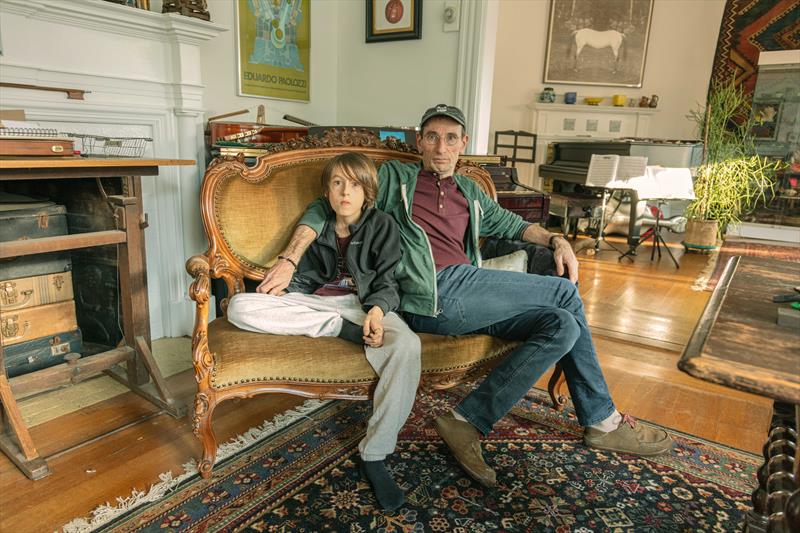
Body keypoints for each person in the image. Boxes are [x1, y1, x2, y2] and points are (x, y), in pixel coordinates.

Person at [259, 104, 673, 489]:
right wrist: (291, 258)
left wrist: (556, 239)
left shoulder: (471, 192)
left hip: (467, 290)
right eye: (432, 137)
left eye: (451, 138)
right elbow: (325, 206)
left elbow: (516, 226)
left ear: (463, 143)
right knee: (565, 293)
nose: (441, 147)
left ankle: (467, 420)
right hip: (429, 292)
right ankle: (602, 420)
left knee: (562, 324)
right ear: (420, 142)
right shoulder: (393, 179)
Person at [226, 153, 421, 510]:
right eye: (338, 183)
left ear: (368, 192)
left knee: (407, 345)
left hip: (362, 305)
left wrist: (376, 312)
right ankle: (337, 329)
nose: (346, 192)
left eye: (355, 185)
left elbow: (388, 282)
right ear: (327, 191)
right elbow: (301, 277)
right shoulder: (317, 220)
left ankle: (375, 454)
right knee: (239, 306)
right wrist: (283, 291)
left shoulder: (383, 225)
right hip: (314, 304)